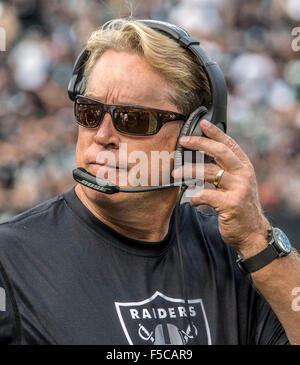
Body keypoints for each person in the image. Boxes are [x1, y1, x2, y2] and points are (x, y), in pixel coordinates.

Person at [0, 18, 299, 345]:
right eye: (89, 111)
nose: (102, 135)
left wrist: (259, 240)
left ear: (193, 135)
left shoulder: (240, 255)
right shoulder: (10, 259)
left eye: (133, 119)